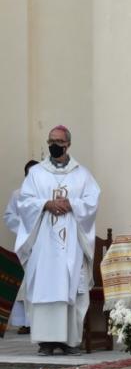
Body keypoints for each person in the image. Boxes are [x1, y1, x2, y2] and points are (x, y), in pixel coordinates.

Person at [14, 126, 100, 356]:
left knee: (71, 285)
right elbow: (23, 202)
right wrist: (45, 204)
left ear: (68, 145)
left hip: (71, 241)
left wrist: (73, 204)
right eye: (51, 140)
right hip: (45, 243)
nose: (54, 144)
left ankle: (70, 342)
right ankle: (46, 342)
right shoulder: (36, 173)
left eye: (59, 141)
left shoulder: (81, 174)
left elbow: (92, 201)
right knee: (45, 285)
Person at [3, 160, 39, 334]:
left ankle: (39, 323)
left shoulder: (44, 194)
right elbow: (9, 216)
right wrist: (24, 228)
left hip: (41, 244)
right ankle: (24, 323)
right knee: (24, 285)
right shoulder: (18, 194)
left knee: (38, 284)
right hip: (24, 245)